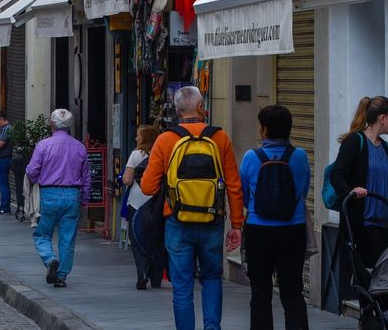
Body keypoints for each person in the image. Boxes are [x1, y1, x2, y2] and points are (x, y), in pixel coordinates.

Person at [140, 86, 245, 330]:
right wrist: (236, 225)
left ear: (177, 112)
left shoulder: (166, 139)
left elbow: (147, 187)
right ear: (200, 107)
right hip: (212, 221)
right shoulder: (219, 137)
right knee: (212, 279)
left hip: (177, 221)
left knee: (182, 286)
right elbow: (234, 185)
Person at [239, 105, 311, 330]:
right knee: (293, 292)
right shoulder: (300, 156)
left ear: (265, 130)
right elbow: (303, 191)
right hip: (293, 229)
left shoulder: (251, 157)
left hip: (258, 230)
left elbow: (244, 195)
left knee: (260, 292)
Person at [329, 95, 388, 272]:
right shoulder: (355, 141)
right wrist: (351, 192)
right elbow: (336, 175)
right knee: (376, 274)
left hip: (385, 225)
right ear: (382, 118)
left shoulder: (386, 147)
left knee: (385, 275)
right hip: (363, 224)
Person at [25, 109, 90, 288]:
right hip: (72, 195)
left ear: (52, 124)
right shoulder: (79, 147)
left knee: (42, 233)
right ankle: (61, 276)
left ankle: (50, 258)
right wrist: (85, 198)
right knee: (68, 238)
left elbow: (32, 171)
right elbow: (86, 176)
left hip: (48, 194)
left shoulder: (43, 145)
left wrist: (36, 179)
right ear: (70, 126)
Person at [121, 124, 163, 290]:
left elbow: (127, 180)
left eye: (138, 135)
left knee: (137, 238)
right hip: (157, 202)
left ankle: (142, 273)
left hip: (137, 202)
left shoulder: (136, 154)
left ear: (145, 137)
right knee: (157, 238)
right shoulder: (161, 153)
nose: (136, 138)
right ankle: (156, 277)